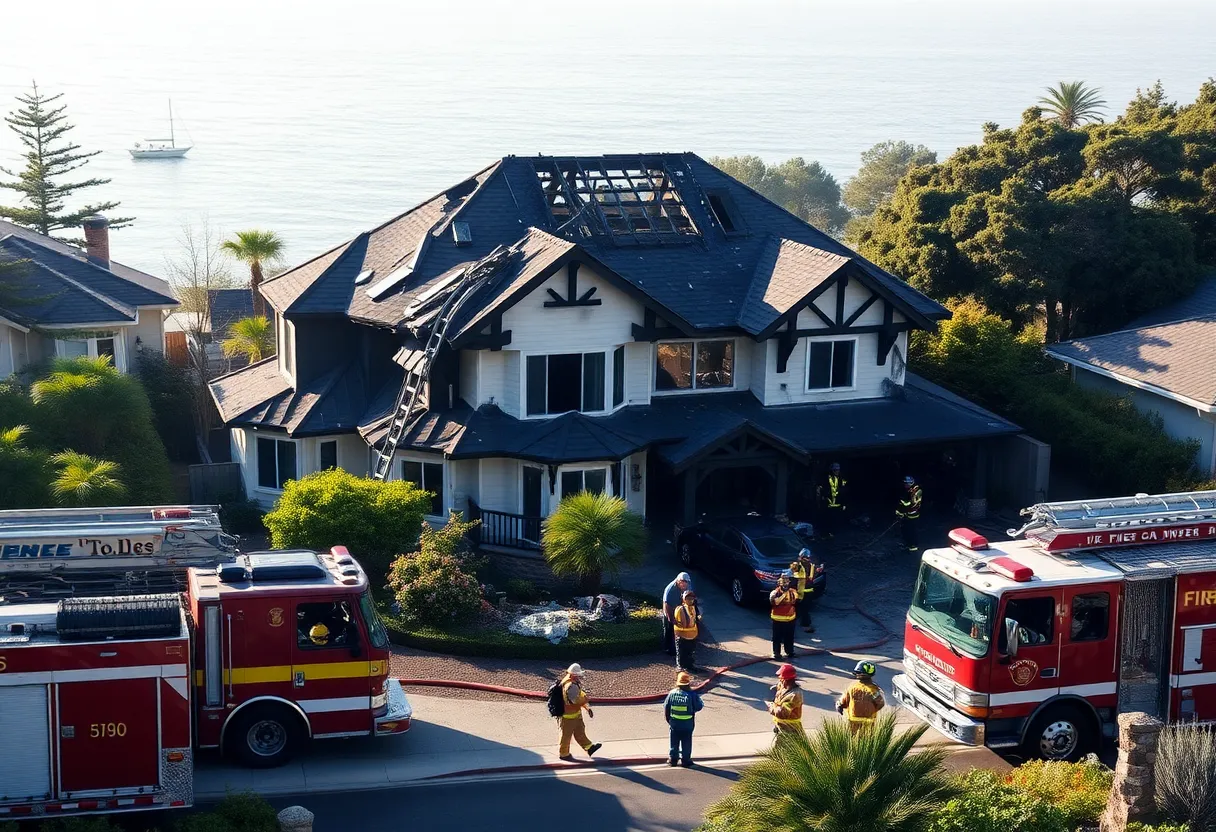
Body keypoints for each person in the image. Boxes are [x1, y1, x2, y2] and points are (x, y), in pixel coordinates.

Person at [557, 663, 603, 761]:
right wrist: (585, 700)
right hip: (568, 717)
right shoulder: (571, 686)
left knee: (580, 732)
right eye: (578, 675)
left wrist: (587, 707)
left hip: (575, 715)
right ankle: (564, 754)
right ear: (574, 674)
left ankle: (589, 748)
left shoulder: (573, 682)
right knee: (566, 736)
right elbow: (575, 700)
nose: (580, 677)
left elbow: (580, 694)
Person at [664, 670, 704, 767]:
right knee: (686, 741)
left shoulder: (672, 693)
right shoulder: (692, 695)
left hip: (674, 722)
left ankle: (673, 759)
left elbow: (666, 707)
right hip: (687, 723)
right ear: (688, 683)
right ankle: (686, 760)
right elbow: (699, 706)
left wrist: (669, 720)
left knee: (674, 741)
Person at [836, 660, 886, 734]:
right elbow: (880, 703)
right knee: (868, 738)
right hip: (868, 721)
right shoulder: (874, 690)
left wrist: (839, 705)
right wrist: (871, 711)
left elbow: (844, 700)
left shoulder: (852, 687)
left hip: (853, 720)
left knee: (853, 738)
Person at [767, 663, 805, 735]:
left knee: (789, 743)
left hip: (790, 730)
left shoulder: (795, 695)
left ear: (786, 680)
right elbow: (779, 688)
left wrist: (771, 707)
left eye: (781, 679)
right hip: (780, 727)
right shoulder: (783, 686)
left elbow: (783, 713)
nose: (780, 680)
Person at [769, 572, 799, 660]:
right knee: (777, 637)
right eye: (783, 582)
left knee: (789, 637)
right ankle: (776, 653)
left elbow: (795, 600)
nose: (785, 585)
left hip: (790, 619)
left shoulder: (793, 592)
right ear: (779, 583)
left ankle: (790, 652)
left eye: (787, 582)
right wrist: (784, 594)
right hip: (778, 619)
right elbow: (775, 602)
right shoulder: (774, 593)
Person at [663, 571, 693, 656]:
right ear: (678, 581)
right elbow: (667, 606)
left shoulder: (688, 585)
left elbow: (690, 595)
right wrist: (671, 619)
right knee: (669, 630)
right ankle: (669, 649)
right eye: (682, 583)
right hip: (670, 609)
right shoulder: (671, 590)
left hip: (680, 607)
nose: (684, 585)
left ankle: (682, 645)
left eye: (686, 583)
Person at [816, 462, 848, 539]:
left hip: (837, 503)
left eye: (838, 470)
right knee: (827, 519)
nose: (837, 471)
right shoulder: (826, 478)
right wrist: (822, 498)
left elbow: (844, 491)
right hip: (828, 503)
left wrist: (844, 503)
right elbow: (820, 489)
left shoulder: (841, 479)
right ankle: (826, 533)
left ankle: (834, 534)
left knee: (836, 519)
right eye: (835, 470)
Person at [789, 548, 817, 634]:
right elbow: (792, 575)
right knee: (794, 608)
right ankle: (790, 624)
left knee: (805, 609)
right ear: (801, 557)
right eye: (806, 558)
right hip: (799, 591)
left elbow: (812, 575)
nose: (807, 559)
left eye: (808, 558)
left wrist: (818, 570)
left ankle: (805, 625)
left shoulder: (812, 566)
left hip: (808, 592)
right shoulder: (797, 566)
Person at [673, 590, 702, 672]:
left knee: (690, 651)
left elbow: (696, 619)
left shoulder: (694, 608)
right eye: (688, 598)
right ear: (684, 599)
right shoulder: (680, 609)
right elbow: (678, 622)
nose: (690, 600)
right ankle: (680, 667)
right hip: (682, 636)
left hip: (692, 635)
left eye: (692, 599)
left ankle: (689, 665)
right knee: (681, 652)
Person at [897, 475, 923, 552]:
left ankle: (913, 546)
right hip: (907, 514)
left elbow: (912, 504)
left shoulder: (916, 491)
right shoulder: (910, 490)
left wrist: (902, 508)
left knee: (912, 531)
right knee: (905, 530)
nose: (905, 485)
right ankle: (907, 544)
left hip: (913, 515)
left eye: (906, 483)